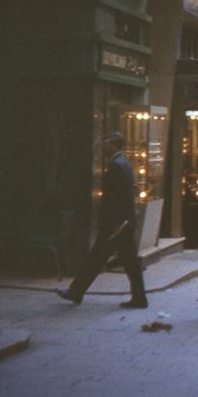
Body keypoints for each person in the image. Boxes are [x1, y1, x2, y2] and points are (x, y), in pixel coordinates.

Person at [56, 132, 147, 308]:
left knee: (100, 259)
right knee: (125, 262)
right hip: (123, 223)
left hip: (116, 225)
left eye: (106, 144)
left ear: (114, 145)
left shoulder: (116, 165)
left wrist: (115, 224)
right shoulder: (124, 164)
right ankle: (138, 298)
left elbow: (115, 198)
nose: (104, 147)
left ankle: (76, 291)